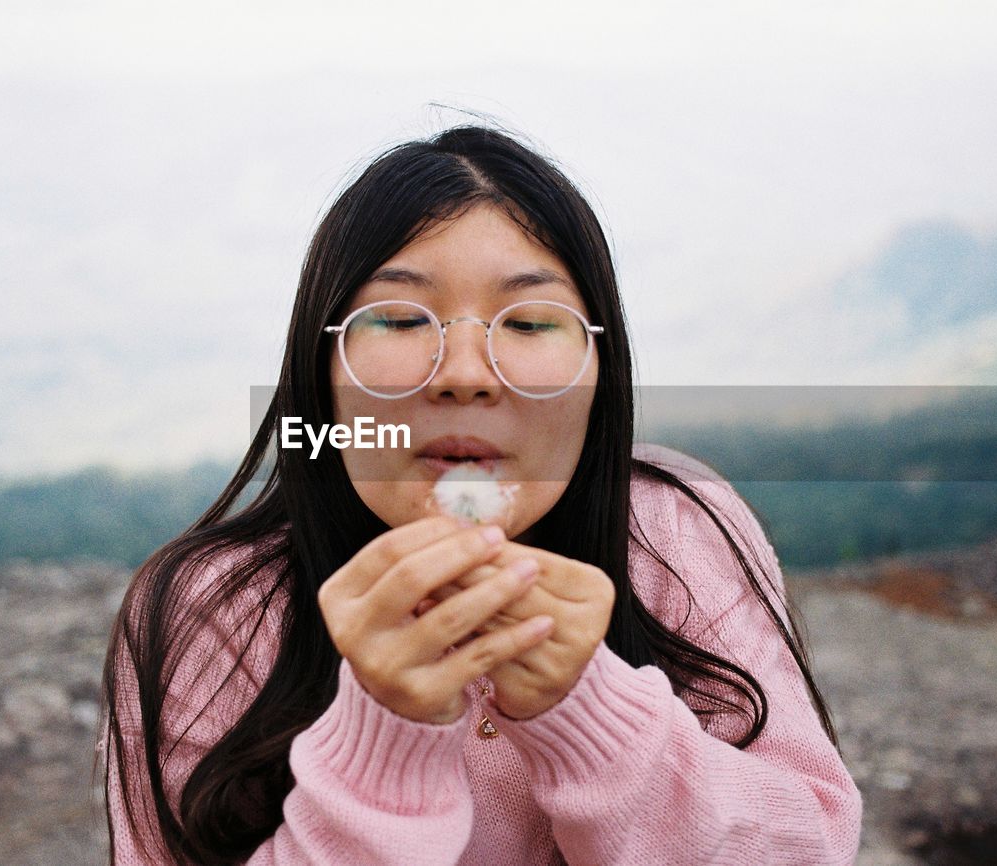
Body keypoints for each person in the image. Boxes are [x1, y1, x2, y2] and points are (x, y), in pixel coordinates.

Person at [96, 124, 863, 865]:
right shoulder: (211, 607)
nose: (465, 372)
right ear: (321, 367)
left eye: (529, 322)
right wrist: (384, 738)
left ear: (601, 372)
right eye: (398, 318)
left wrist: (588, 707)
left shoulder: (676, 526)